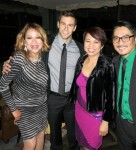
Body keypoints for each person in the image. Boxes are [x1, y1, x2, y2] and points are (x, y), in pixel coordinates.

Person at [2, 10, 84, 150]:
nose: (66, 28)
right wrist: (9, 62)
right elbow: (26, 52)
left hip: (71, 98)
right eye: (63, 23)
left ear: (75, 27)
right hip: (51, 97)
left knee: (73, 134)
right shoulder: (47, 43)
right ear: (58, 24)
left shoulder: (81, 48)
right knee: (54, 136)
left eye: (70, 25)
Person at [0, 23, 49, 150]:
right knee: (30, 143)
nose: (34, 41)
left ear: (43, 40)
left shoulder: (44, 58)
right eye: (29, 37)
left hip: (42, 106)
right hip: (24, 109)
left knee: (41, 138)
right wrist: (14, 109)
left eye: (38, 37)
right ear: (23, 41)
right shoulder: (19, 58)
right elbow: (3, 85)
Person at [68, 27, 116, 150]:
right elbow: (77, 86)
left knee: (91, 145)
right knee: (82, 143)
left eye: (96, 42)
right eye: (88, 41)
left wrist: (105, 122)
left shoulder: (107, 65)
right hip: (80, 110)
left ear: (102, 45)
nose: (91, 45)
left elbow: (111, 97)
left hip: (96, 115)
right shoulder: (81, 60)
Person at [112, 20, 136, 150]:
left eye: (126, 37)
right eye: (116, 38)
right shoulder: (115, 62)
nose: (120, 42)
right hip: (121, 124)